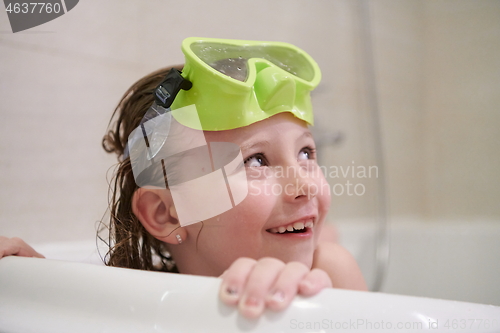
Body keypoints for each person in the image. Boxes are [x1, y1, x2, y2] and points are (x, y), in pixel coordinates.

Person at [0, 37, 366, 319]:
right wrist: (38, 285)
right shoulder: (146, 296)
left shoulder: (330, 274)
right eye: (256, 160)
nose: (304, 186)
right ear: (167, 214)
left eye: (306, 153)